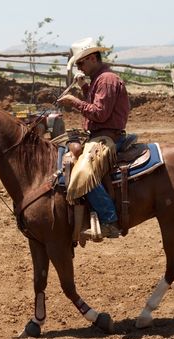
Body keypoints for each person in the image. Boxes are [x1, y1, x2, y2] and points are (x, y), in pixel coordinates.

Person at [57, 37, 130, 238]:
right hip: (101, 134)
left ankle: (109, 220)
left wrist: (74, 102)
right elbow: (99, 102)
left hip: (107, 137)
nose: (79, 68)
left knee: (84, 173)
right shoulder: (101, 79)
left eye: (80, 63)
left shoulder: (106, 79)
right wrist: (83, 89)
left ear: (91, 58)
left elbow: (100, 113)